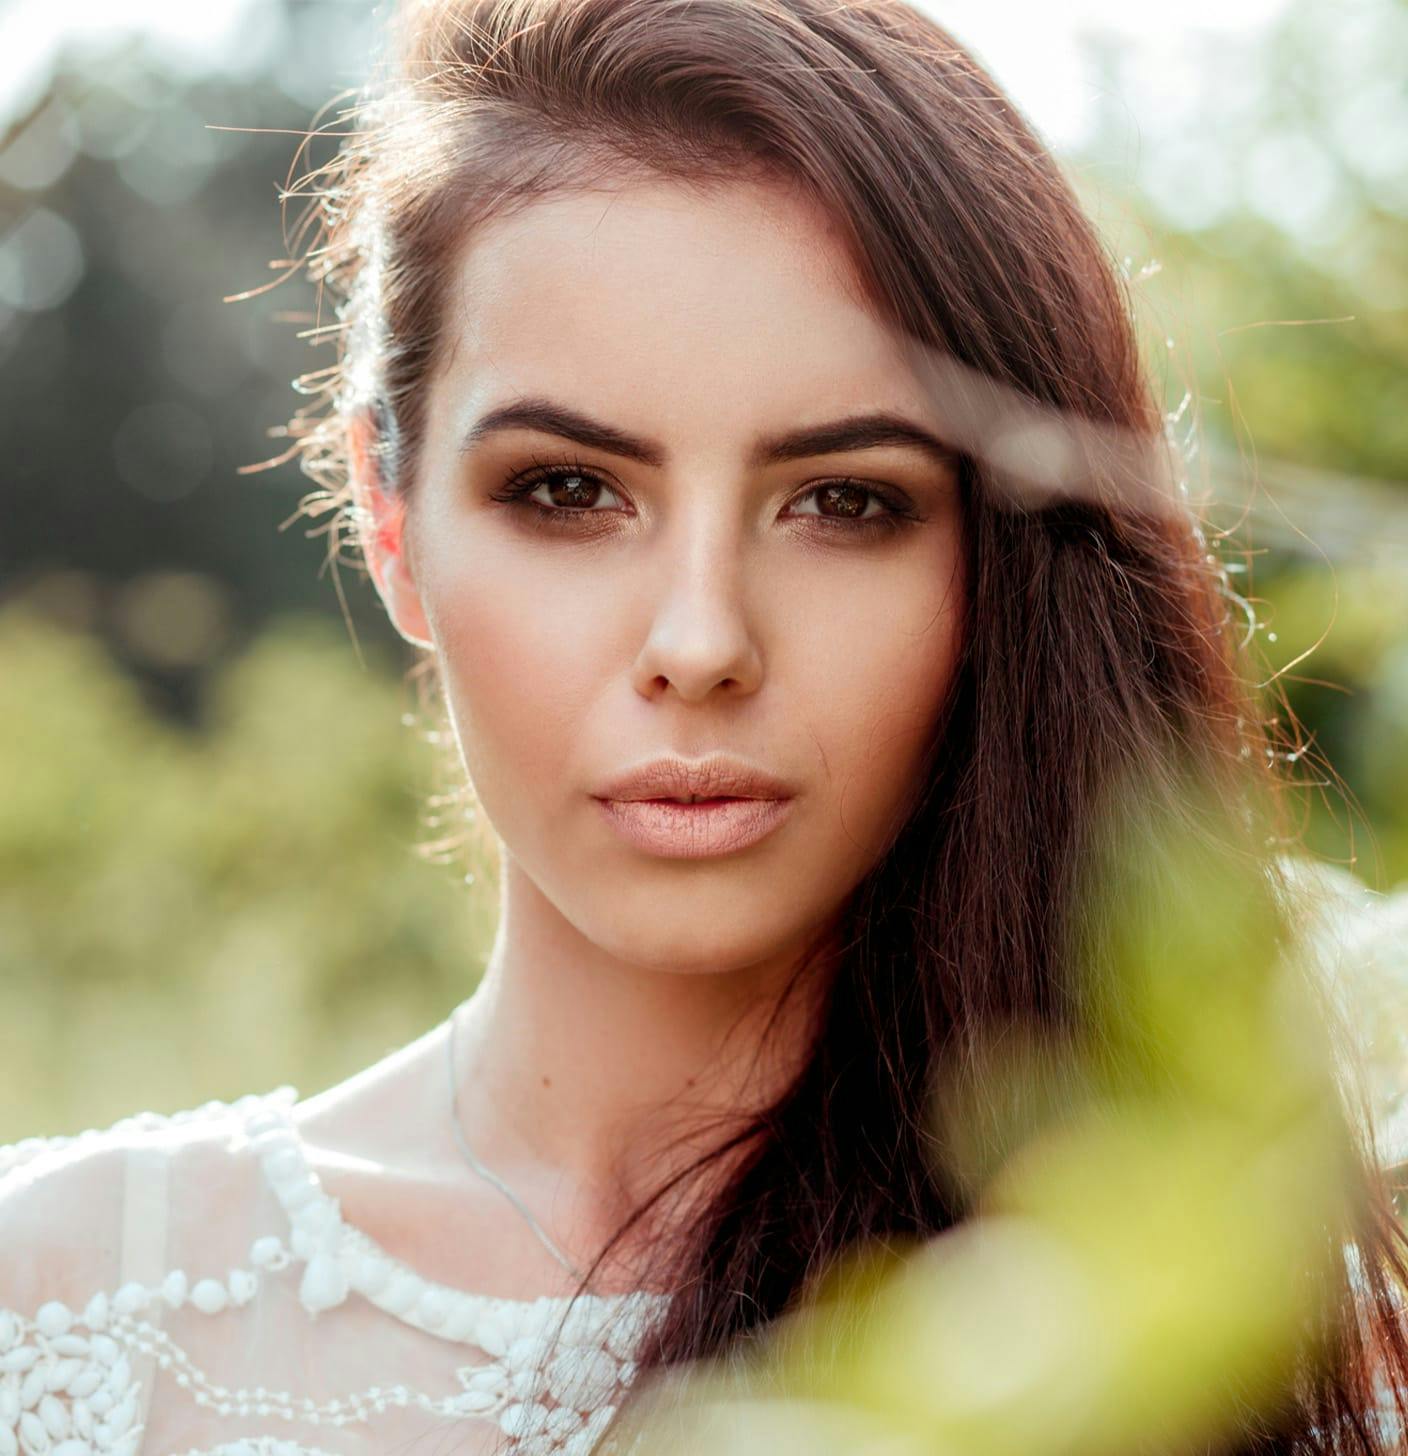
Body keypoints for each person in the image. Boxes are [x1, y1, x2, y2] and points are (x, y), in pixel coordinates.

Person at [3, 0, 1407, 1453]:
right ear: (389, 519)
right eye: (567, 491)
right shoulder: (58, 1310)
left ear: (994, 564)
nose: (701, 643)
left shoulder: (1295, 1293)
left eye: (845, 501)